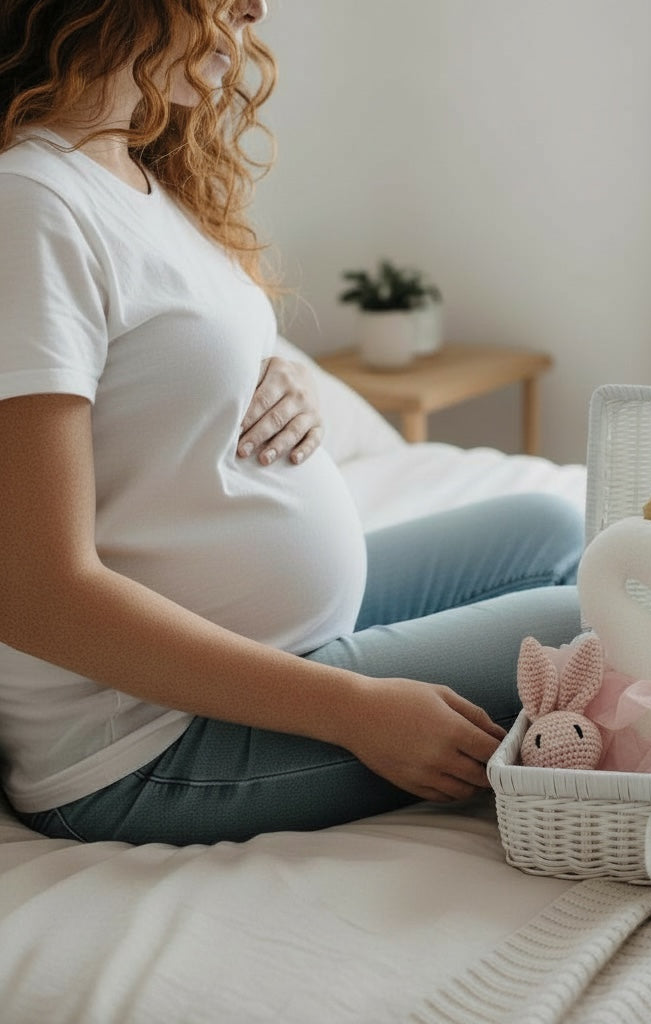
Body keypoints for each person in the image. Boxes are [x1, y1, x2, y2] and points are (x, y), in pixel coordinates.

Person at [0, 0, 584, 845]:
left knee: (552, 526)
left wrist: (276, 380)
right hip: (146, 740)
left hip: (262, 639)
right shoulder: (30, 201)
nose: (255, 8)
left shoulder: (129, 174)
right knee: (599, 623)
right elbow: (34, 594)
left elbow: (152, 385)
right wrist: (356, 710)